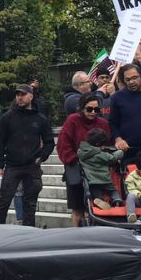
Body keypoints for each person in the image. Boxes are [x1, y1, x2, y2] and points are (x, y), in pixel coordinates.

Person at [0, 84, 55, 227]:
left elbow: (49, 142)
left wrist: (41, 157)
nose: (19, 97)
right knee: (4, 202)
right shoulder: (7, 117)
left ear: (31, 96)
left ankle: (28, 234)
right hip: (12, 165)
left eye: (23, 94)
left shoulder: (40, 119)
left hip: (32, 166)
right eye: (17, 95)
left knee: (30, 204)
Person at [57, 92, 110, 227]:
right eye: (89, 109)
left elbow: (107, 145)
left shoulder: (102, 123)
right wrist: (74, 160)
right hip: (76, 166)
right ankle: (77, 233)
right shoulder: (72, 120)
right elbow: (63, 144)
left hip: (97, 169)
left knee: (98, 203)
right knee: (77, 207)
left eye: (96, 109)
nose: (93, 112)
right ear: (81, 108)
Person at [77, 128, 124, 209]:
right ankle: (117, 200)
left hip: (91, 181)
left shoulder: (80, 152)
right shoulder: (99, 154)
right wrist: (120, 152)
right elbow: (111, 158)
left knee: (96, 193)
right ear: (98, 144)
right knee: (113, 191)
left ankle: (99, 200)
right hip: (104, 179)